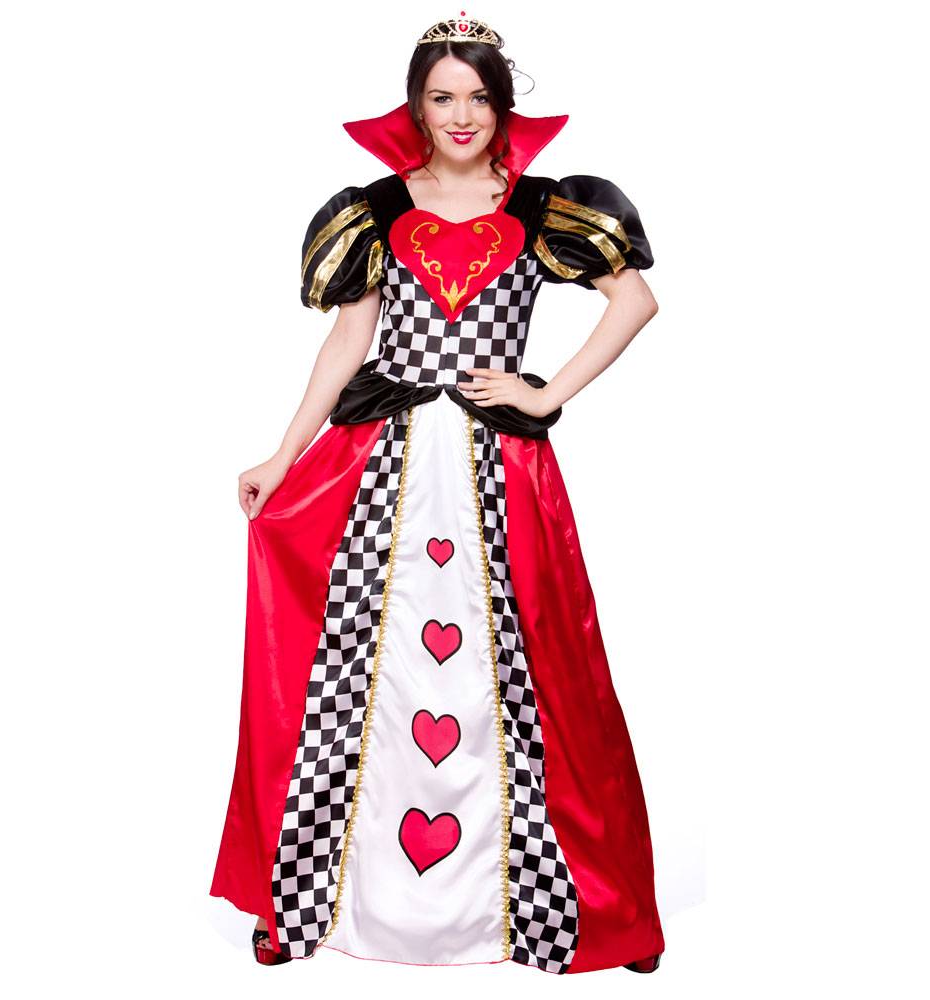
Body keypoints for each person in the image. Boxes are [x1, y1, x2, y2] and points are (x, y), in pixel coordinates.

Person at [209, 11, 665, 976]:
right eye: (442, 97)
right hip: (381, 467)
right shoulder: (377, 210)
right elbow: (349, 340)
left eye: (479, 98)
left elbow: (636, 300)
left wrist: (545, 391)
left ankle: (590, 908)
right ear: (416, 107)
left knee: (542, 667)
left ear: (503, 106)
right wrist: (284, 454)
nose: (462, 115)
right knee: (349, 668)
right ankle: (313, 897)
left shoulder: (542, 209)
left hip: (503, 470)